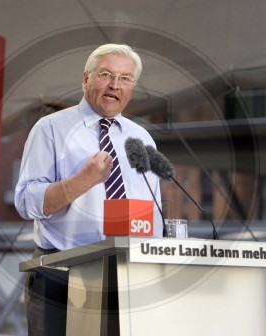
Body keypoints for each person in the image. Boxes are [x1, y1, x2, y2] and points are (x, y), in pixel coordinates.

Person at [14, 43, 163, 336]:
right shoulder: (50, 129)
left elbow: (153, 215)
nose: (114, 85)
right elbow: (24, 201)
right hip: (61, 274)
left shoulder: (142, 138)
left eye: (125, 78)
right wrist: (81, 181)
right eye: (105, 74)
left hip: (126, 277)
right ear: (85, 79)